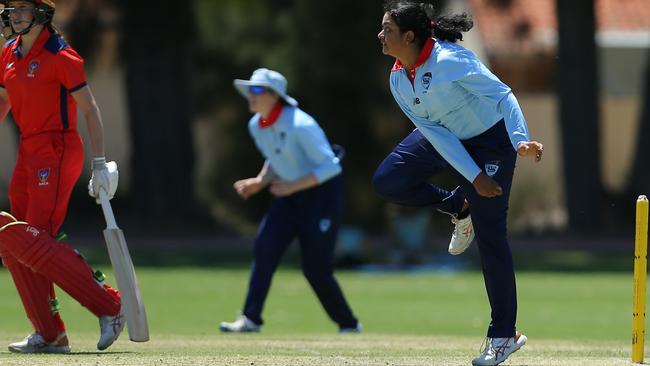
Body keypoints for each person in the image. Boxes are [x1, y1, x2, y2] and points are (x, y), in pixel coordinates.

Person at [374, 1, 544, 365]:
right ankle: (458, 206)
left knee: (491, 237)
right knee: (389, 180)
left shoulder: (450, 60)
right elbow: (435, 133)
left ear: (409, 36)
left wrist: (519, 140)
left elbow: (503, 95)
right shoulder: (397, 79)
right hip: (445, 139)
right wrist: (472, 179)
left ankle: (503, 336)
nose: (380, 35)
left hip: (492, 141)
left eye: (387, 30)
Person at [0, 0, 123, 353]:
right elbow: (3, 101)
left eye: (22, 8)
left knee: (35, 238)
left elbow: (90, 108)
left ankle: (110, 306)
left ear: (42, 12)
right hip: (28, 150)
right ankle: (49, 333)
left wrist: (99, 162)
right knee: (13, 238)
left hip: (57, 149)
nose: (13, 15)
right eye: (10, 9)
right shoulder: (9, 53)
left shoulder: (60, 54)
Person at [219, 68, 361, 333]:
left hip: (321, 196)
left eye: (258, 90)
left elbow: (331, 167)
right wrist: (260, 182)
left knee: (316, 269)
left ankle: (349, 324)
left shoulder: (301, 124)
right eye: (250, 89)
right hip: (288, 195)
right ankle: (251, 319)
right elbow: (275, 156)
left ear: (275, 96)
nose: (251, 95)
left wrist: (292, 186)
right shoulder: (256, 125)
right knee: (264, 249)